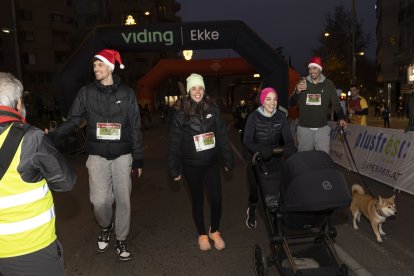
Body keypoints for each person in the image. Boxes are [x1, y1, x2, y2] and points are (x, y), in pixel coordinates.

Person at [46, 49, 143, 261]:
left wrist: (138, 157)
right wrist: (54, 135)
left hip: (122, 155)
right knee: (100, 201)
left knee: (123, 200)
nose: (96, 69)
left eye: (100, 65)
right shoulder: (86, 92)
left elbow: (135, 126)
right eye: (94, 65)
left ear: (110, 67)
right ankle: (106, 226)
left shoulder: (127, 94)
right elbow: (74, 120)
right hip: (97, 156)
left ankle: (121, 239)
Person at [0, 72, 76, 275]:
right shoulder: (31, 139)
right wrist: (45, 152)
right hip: (30, 249)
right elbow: (66, 181)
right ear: (17, 104)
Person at [168, 73, 234, 251]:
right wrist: (174, 168)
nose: (197, 91)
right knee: (197, 201)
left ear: (204, 90)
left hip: (211, 163)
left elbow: (221, 135)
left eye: (200, 88)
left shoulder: (213, 109)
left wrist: (228, 159)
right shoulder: (180, 114)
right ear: (189, 91)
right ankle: (202, 234)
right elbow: (175, 142)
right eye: (193, 88)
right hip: (191, 165)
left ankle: (215, 231)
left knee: (217, 200)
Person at [242, 87, 297, 229]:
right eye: (268, 99)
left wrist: (289, 147)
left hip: (274, 158)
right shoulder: (253, 117)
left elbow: (288, 139)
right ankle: (252, 209)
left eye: (275, 99)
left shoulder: (281, 117)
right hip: (256, 159)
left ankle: (275, 218)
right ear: (262, 100)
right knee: (255, 191)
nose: (272, 103)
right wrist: (260, 150)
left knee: (275, 190)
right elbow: (247, 140)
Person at [289, 56, 347, 154]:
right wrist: (297, 91)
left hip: (322, 129)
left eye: (314, 68)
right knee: (305, 160)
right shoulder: (302, 82)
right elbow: (292, 103)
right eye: (310, 69)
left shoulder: (328, 84)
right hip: (304, 129)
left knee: (323, 159)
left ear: (320, 69)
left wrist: (341, 117)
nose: (311, 71)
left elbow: (336, 103)